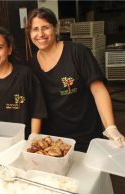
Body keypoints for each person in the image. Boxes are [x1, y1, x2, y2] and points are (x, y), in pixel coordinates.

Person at [27, 7, 125, 152]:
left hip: (86, 135)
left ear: (55, 28)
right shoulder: (31, 65)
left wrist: (110, 127)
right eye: (35, 29)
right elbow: (36, 105)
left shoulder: (78, 53)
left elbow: (98, 91)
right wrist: (34, 136)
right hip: (54, 141)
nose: (40, 34)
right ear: (30, 33)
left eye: (45, 27)